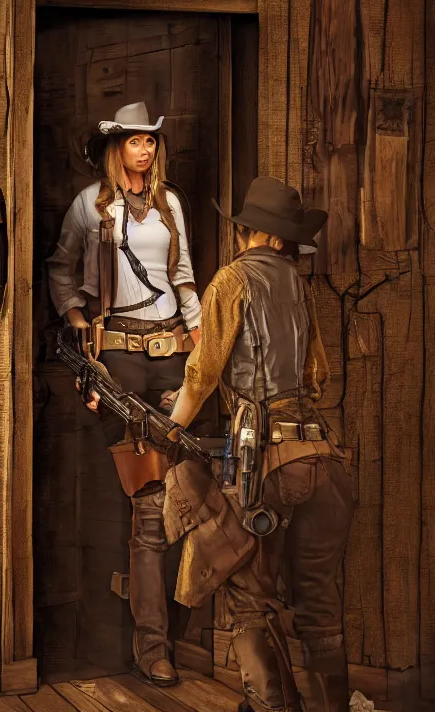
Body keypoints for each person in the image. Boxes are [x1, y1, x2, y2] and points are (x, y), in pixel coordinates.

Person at [163, 176, 354, 712]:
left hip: (267, 463)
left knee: (249, 600)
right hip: (322, 458)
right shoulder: (299, 284)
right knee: (320, 606)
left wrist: (173, 426)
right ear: (281, 238)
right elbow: (317, 374)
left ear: (246, 231)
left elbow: (201, 376)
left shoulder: (231, 280)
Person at [47, 102, 201, 687]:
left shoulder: (171, 203)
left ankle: (188, 632)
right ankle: (152, 647)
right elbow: (61, 269)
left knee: (193, 489)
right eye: (135, 142)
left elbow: (183, 275)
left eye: (151, 142)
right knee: (149, 505)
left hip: (172, 355)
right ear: (116, 150)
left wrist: (200, 339)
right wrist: (78, 318)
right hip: (117, 356)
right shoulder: (91, 205)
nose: (146, 150)